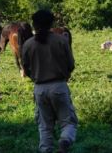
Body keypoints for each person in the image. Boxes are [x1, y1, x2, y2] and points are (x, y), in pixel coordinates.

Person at [20, 9, 77, 153]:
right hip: (59, 85)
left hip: (39, 88)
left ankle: (46, 150)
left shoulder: (28, 44)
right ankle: (65, 140)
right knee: (68, 121)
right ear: (52, 23)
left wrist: (35, 78)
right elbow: (71, 64)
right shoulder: (61, 40)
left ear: (34, 24)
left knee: (44, 126)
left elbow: (25, 68)